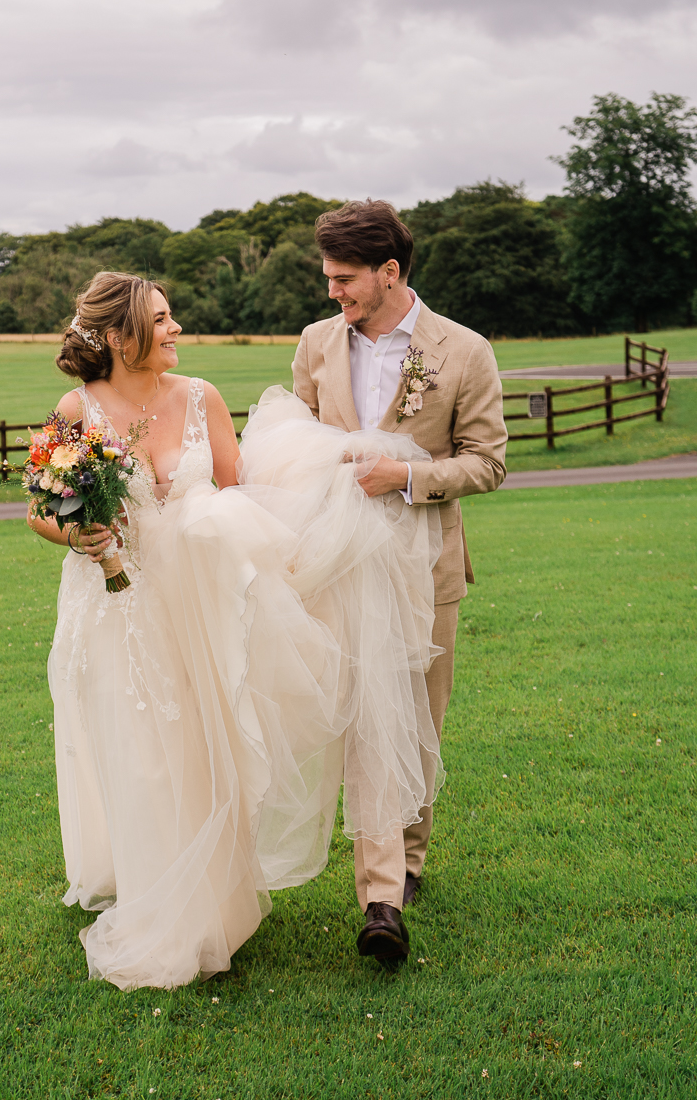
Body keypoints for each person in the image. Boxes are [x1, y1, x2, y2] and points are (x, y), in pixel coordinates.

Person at [32, 271, 443, 990]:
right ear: (123, 335)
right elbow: (39, 506)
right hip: (116, 606)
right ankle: (160, 897)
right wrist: (74, 534)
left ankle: (215, 898)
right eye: (162, 320)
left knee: (201, 746)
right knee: (141, 750)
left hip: (199, 602)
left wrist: (315, 511)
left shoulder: (202, 398)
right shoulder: (78, 407)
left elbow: (238, 489)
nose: (176, 329)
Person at [290, 199, 507, 969]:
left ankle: (407, 867)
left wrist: (406, 476)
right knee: (356, 714)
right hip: (339, 565)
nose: (332, 294)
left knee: (418, 715)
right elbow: (299, 442)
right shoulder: (317, 343)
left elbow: (488, 461)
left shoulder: (465, 351)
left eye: (343, 279)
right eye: (327, 278)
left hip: (426, 565)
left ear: (389, 272)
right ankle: (379, 886)